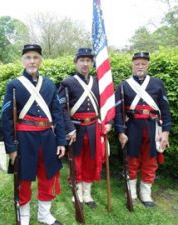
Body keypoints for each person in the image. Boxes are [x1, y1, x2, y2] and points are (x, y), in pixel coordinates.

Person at [1, 44, 66, 225]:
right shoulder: (14, 84)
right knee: (24, 179)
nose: (32, 61)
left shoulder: (49, 84)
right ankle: (24, 218)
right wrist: (11, 148)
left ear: (41, 60)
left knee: (48, 176)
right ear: (23, 61)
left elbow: (57, 114)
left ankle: (44, 215)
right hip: (24, 139)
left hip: (47, 137)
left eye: (35, 57)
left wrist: (61, 140)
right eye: (28, 57)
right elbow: (6, 118)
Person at [115, 52, 171, 208]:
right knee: (131, 160)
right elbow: (118, 112)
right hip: (132, 126)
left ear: (148, 65)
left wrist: (165, 132)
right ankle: (131, 192)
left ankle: (146, 194)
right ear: (132, 65)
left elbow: (165, 110)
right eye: (137, 63)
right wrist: (120, 131)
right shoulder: (123, 85)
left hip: (153, 127)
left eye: (143, 64)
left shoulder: (158, 84)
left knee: (150, 161)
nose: (140, 66)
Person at [58, 48, 112, 208]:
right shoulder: (67, 82)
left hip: (94, 127)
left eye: (88, 60)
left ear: (92, 63)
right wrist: (69, 129)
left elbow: (106, 106)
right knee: (76, 160)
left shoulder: (98, 82)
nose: (85, 63)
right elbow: (61, 108)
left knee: (91, 160)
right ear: (76, 62)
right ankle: (77, 191)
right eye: (82, 60)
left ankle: (87, 193)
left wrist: (108, 122)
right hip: (76, 128)